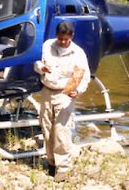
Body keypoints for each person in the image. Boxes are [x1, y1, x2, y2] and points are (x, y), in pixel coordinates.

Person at [34, 21, 91, 182]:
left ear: (72, 37)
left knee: (61, 130)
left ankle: (64, 167)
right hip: (47, 90)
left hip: (65, 93)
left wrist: (78, 91)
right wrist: (41, 68)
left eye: (66, 39)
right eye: (60, 39)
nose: (63, 42)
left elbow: (85, 77)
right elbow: (36, 63)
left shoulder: (78, 53)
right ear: (56, 36)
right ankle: (51, 162)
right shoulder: (47, 45)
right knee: (46, 127)